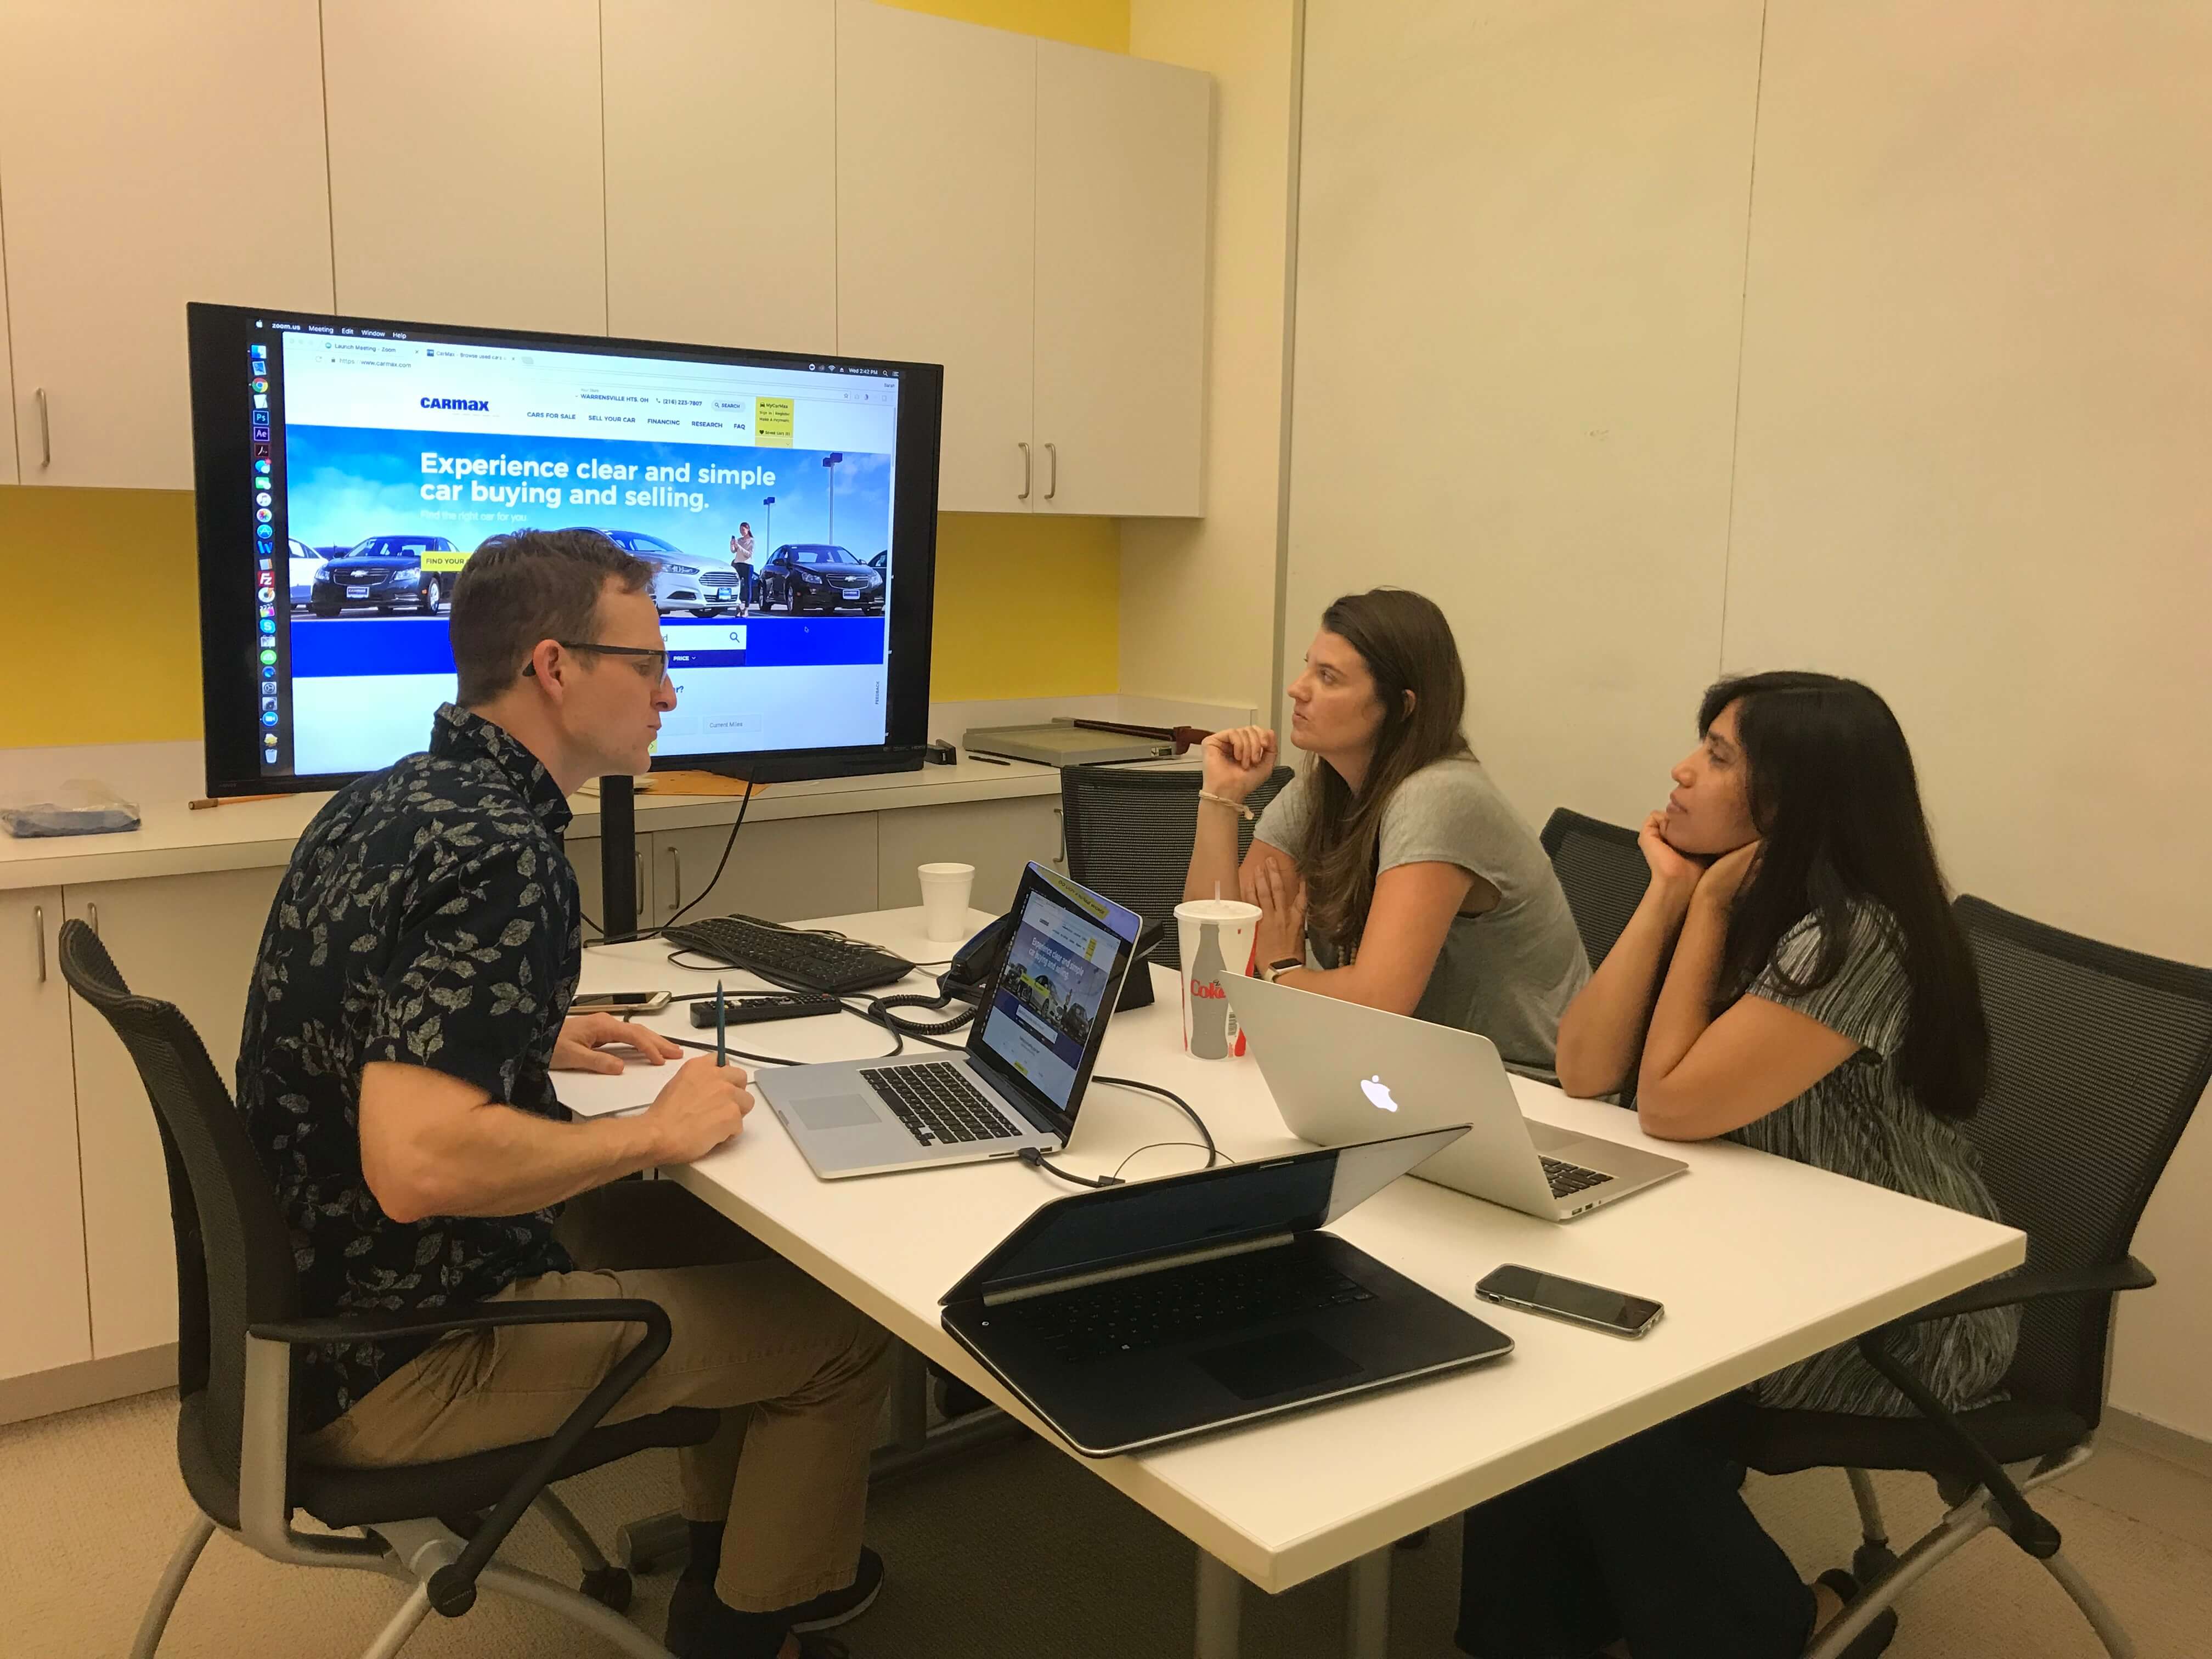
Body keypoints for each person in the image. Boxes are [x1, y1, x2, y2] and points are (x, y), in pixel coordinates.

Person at [236, 528, 891, 1659]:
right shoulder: (506, 854)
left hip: (302, 1331)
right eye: (647, 665)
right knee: (841, 1334)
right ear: (553, 667)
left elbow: (366, 1025)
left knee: (694, 1239)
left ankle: (723, 1553)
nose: (671, 695)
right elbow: (418, 1166)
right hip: (404, 1361)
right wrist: (649, 1131)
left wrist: (527, 1038)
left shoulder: (390, 799)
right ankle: (742, 1631)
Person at [1455, 670, 2017, 1659]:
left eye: (1717, 755)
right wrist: (1669, 894)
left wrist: (1705, 908)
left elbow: (1668, 1104)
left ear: (1791, 799)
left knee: (1607, 1392)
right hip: (1758, 1248)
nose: (1681, 768)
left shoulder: (1860, 935)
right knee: (1540, 1346)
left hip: (1903, 1309)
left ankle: (1771, 1627)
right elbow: (1585, 1070)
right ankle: (1535, 1630)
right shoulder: (1762, 898)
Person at [1183, 588, 1589, 1071]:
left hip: (1524, 1087)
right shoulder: (1327, 784)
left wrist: (1280, 973)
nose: (1297, 688)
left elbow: (1378, 1000)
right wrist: (1222, 799)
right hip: (1393, 1063)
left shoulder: (1439, 795)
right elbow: (1218, 947)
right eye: (1308, 666)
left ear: (1401, 706)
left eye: (1328, 677)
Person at [732, 523, 756, 616]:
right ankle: (737, 608)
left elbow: (749, 554)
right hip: (738, 564)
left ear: (748, 529)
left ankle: (746, 609)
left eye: (743, 530)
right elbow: (733, 551)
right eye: (740, 530)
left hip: (748, 565)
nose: (742, 532)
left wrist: (739, 547)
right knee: (737, 586)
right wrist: (733, 545)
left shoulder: (752, 541)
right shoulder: (739, 540)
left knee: (747, 587)